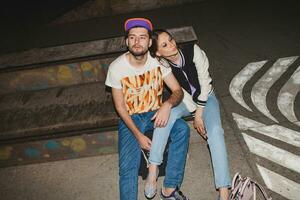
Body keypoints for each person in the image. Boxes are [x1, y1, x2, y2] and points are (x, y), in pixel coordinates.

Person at [105, 18, 190, 200]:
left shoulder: (158, 62)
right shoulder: (116, 68)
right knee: (127, 166)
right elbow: (120, 107)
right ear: (127, 41)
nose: (137, 42)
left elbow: (177, 91)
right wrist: (138, 135)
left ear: (150, 42)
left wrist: (167, 105)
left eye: (142, 37)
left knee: (182, 129)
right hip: (131, 118)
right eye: (132, 37)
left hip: (154, 112)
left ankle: (169, 188)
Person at [148, 29, 231, 200]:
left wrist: (198, 115)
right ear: (158, 52)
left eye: (170, 39)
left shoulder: (194, 51)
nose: (171, 44)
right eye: (165, 44)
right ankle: (153, 169)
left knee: (215, 132)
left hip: (206, 97)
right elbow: (175, 91)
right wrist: (167, 106)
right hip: (183, 101)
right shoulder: (161, 64)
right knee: (165, 116)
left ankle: (224, 192)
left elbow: (205, 82)